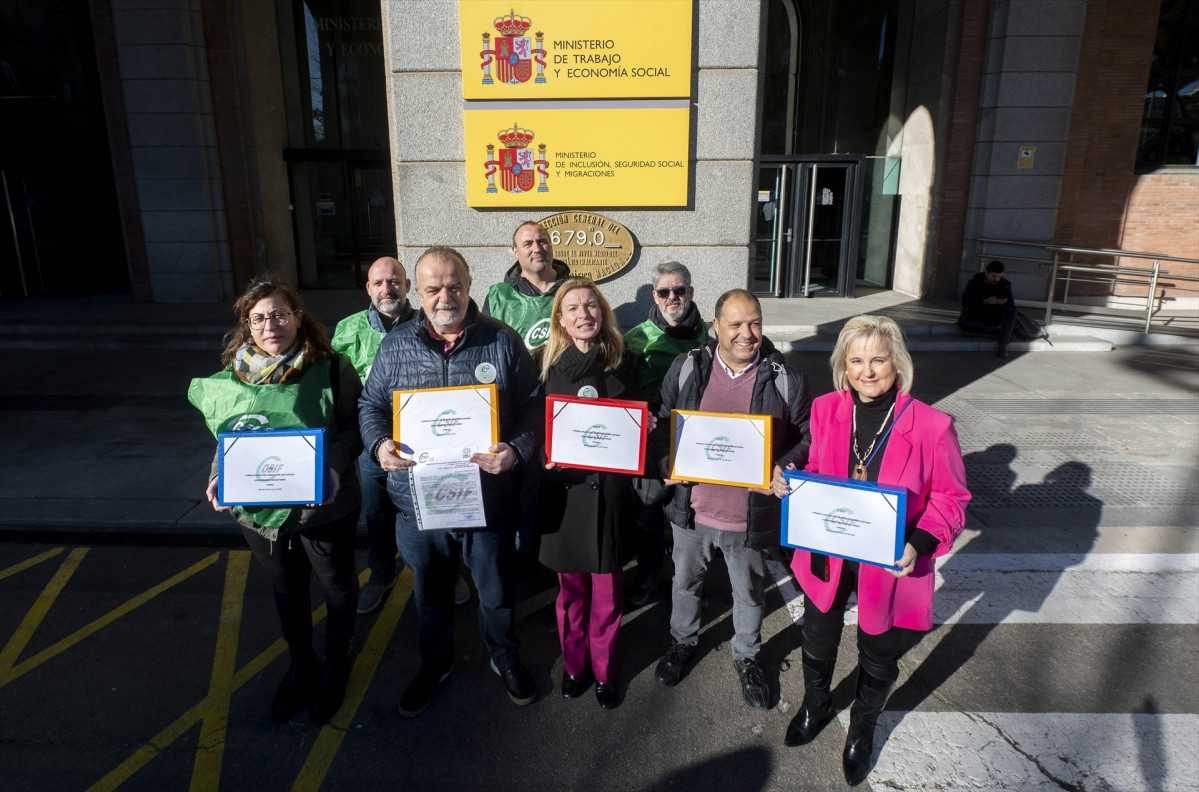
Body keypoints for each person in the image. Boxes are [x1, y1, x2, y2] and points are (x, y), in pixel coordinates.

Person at [783, 314, 970, 786]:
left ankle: (862, 729)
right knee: (818, 636)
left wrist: (921, 541)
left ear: (897, 363)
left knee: (879, 652)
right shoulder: (826, 409)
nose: (867, 371)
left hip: (891, 561)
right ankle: (816, 703)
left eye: (878, 359)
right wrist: (787, 474)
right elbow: (810, 460)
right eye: (857, 360)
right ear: (843, 366)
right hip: (828, 549)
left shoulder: (932, 425)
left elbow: (952, 498)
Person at [359, 246, 543, 716]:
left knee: (497, 592)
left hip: (488, 497)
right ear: (417, 292)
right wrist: (380, 445)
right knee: (431, 594)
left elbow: (533, 407)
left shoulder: (502, 342)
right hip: (419, 503)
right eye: (434, 288)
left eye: (454, 286)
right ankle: (435, 663)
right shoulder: (395, 344)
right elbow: (370, 407)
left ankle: (504, 658)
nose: (446, 296)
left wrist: (517, 449)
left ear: (468, 285)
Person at [188, 275, 362, 725]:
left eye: (280, 314)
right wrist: (217, 476)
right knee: (287, 590)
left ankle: (337, 662)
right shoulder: (232, 377)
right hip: (259, 512)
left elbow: (353, 427)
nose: (271, 325)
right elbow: (229, 434)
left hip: (322, 505)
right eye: (259, 318)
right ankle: (303, 664)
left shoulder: (332, 367)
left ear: (298, 318)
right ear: (247, 326)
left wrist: (333, 466)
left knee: (337, 587)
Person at [649, 289, 812, 710]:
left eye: (755, 323)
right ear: (715, 327)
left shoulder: (783, 378)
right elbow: (664, 419)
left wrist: (786, 465)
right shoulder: (687, 368)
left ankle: (748, 657)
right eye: (736, 324)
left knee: (750, 593)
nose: (747, 333)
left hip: (748, 516)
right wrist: (665, 454)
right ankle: (682, 642)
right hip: (692, 509)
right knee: (685, 584)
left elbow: (806, 437)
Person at [534, 280, 652, 710]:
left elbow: (638, 420)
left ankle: (604, 672)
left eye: (591, 306)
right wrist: (542, 454)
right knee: (570, 597)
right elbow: (532, 431)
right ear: (560, 320)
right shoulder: (542, 369)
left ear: (602, 313)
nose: (584, 314)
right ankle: (574, 666)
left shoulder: (625, 364)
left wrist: (645, 428)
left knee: (607, 594)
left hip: (610, 499)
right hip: (565, 499)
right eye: (573, 308)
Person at [331, 257, 469, 614]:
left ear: (408, 286)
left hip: (430, 439)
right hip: (374, 441)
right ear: (368, 289)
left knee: (441, 506)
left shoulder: (431, 322)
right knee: (377, 512)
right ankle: (381, 573)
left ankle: (448, 572)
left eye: (394, 282)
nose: (386, 289)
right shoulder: (347, 329)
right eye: (378, 283)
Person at [622, 261, 711, 607]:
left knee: (692, 519)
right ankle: (648, 575)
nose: (672, 297)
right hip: (649, 439)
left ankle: (691, 585)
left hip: (695, 442)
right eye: (664, 291)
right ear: (656, 296)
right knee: (648, 517)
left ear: (690, 292)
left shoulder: (710, 336)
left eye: (679, 290)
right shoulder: (637, 339)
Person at [483, 220, 571, 350]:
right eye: (528, 244)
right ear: (515, 251)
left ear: (551, 246)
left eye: (542, 242)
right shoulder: (497, 298)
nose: (537, 249)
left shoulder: (579, 288)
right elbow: (487, 350)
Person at [959, 259, 1017, 358]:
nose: (996, 279)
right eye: (993, 276)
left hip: (995, 314)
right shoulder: (975, 282)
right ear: (986, 272)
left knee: (1011, 309)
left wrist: (1002, 302)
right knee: (965, 323)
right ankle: (1002, 333)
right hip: (978, 313)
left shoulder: (1005, 284)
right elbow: (966, 302)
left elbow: (1011, 302)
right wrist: (984, 301)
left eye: (999, 276)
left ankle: (1003, 344)